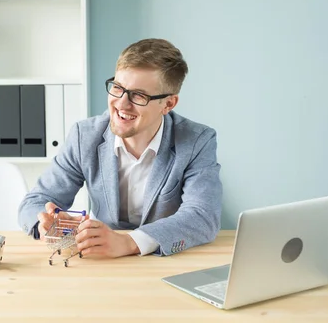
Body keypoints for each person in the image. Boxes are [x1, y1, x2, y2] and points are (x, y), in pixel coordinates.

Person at [17, 38, 223, 257]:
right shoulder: (84, 136)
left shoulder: (197, 140)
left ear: (168, 104)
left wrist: (130, 242)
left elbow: (203, 216)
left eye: (138, 95)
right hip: (101, 261)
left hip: (164, 262)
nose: (122, 103)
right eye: (117, 88)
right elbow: (34, 202)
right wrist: (48, 222)